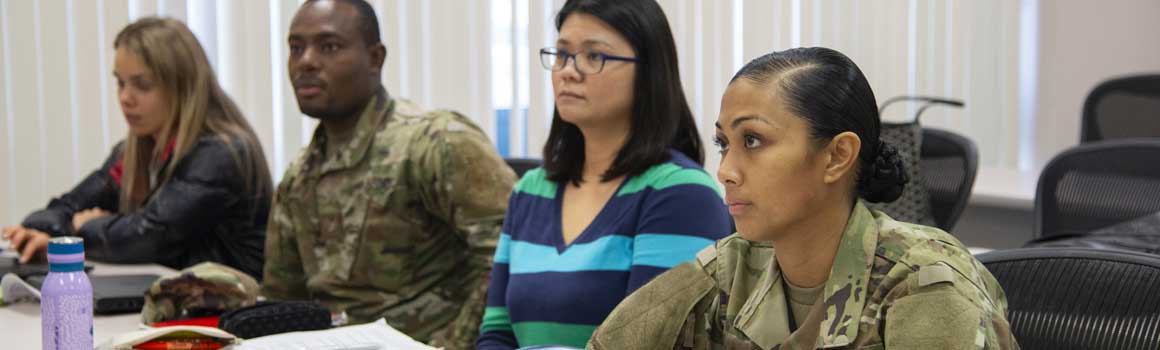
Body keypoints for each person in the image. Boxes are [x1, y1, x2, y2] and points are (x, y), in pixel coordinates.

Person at [587, 48, 1019, 349]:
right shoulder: (733, 266)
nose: (725, 171)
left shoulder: (923, 284)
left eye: (753, 140)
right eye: (724, 144)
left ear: (837, 156)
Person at [475, 0, 732, 348]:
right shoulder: (530, 190)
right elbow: (496, 333)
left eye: (594, 57)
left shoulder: (681, 195)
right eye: (562, 54)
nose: (568, 70)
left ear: (648, 72)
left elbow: (649, 342)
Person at [259, 0, 515, 348]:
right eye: (296, 48)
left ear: (375, 58)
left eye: (329, 46)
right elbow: (282, 298)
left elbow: (506, 253)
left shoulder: (434, 142)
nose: (306, 62)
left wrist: (452, 347)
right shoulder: (298, 177)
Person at [1, 17, 272, 279]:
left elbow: (146, 238)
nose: (125, 98)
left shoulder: (220, 152)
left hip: (228, 312)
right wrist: (42, 233)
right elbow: (64, 207)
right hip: (174, 302)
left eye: (142, 85)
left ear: (182, 87)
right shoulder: (134, 151)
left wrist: (79, 228)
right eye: (120, 83)